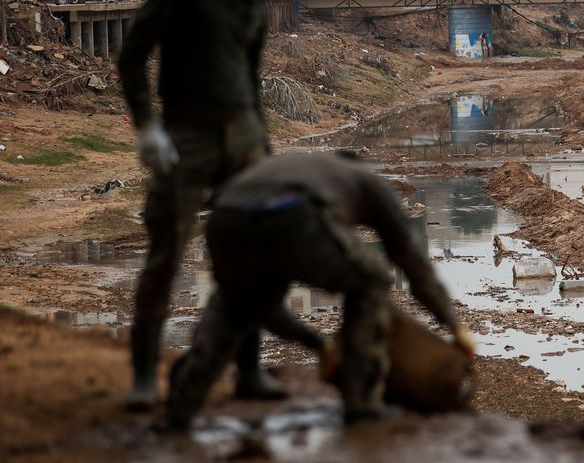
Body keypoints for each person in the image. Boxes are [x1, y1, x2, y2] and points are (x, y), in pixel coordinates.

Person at [117, 0, 295, 410]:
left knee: (249, 256)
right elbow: (132, 56)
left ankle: (249, 373)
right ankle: (144, 379)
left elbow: (252, 80)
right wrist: (146, 127)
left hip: (243, 138)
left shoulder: (253, 3)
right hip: (187, 135)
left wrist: (261, 143)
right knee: (166, 254)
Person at [164, 153, 474, 429]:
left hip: (225, 217)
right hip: (293, 211)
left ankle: (182, 404)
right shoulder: (369, 183)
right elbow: (411, 260)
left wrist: (320, 344)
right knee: (372, 279)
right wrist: (453, 324)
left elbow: (267, 310)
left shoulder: (308, 167)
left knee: (235, 303)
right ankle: (360, 403)